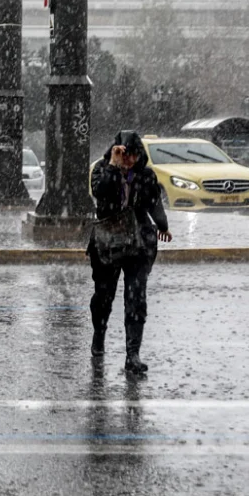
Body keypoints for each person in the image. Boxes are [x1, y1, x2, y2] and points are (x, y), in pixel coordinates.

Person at [88, 130, 173, 374]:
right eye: (125, 155)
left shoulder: (145, 175)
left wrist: (163, 226)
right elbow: (100, 192)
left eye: (134, 155)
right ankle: (99, 335)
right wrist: (114, 167)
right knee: (103, 296)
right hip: (108, 243)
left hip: (138, 244)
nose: (130, 160)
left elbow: (154, 202)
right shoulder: (103, 170)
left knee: (136, 298)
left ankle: (132, 354)